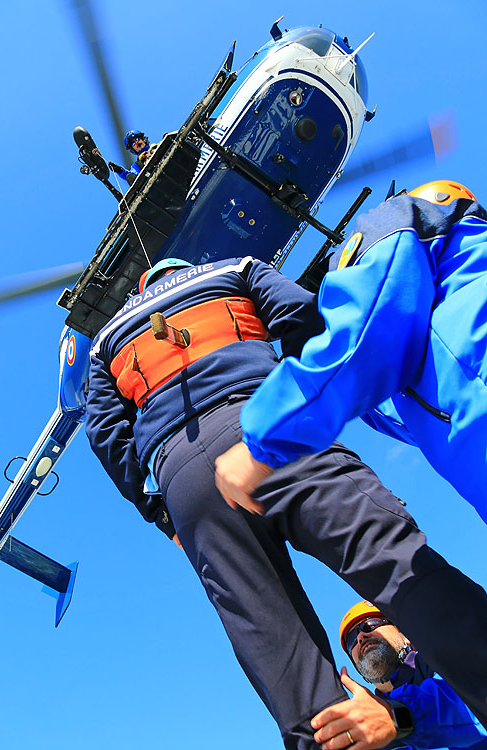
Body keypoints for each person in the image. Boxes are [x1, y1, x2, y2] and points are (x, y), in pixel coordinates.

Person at [85, 255, 487, 748]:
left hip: (182, 473)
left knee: (275, 648)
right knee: (394, 564)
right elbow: (302, 315)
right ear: (183, 268)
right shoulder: (236, 267)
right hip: (265, 423)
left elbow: (105, 433)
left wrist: (161, 514)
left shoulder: (106, 339)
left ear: (144, 284)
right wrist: (297, 407)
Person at [214, 180, 487, 525]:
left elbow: (372, 325)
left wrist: (266, 441)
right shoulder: (414, 380)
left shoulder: (403, 216)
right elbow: (395, 398)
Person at [310, 601, 487, 750]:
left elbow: (475, 696)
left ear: (405, 634)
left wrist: (399, 717)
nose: (362, 637)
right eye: (352, 642)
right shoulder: (366, 729)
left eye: (370, 624)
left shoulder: (443, 660)